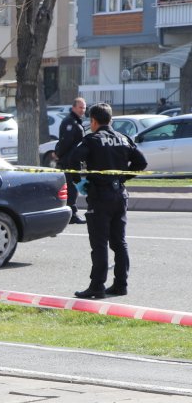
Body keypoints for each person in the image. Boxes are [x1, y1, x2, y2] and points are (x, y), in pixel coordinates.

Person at [66, 102, 147, 300]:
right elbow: (141, 163)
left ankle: (97, 286)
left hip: (100, 197)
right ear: (110, 120)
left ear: (93, 121)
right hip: (120, 195)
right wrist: (121, 178)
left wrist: (80, 182)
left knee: (100, 243)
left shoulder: (92, 140)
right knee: (119, 242)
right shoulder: (123, 138)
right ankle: (121, 284)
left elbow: (72, 161)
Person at [54, 97, 87, 225]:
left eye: (84, 107)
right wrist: (59, 155)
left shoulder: (76, 121)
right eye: (80, 107)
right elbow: (65, 142)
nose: (83, 110)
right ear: (73, 107)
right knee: (72, 187)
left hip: (74, 160)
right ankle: (71, 214)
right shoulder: (70, 122)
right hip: (69, 161)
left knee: (72, 187)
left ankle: (69, 213)